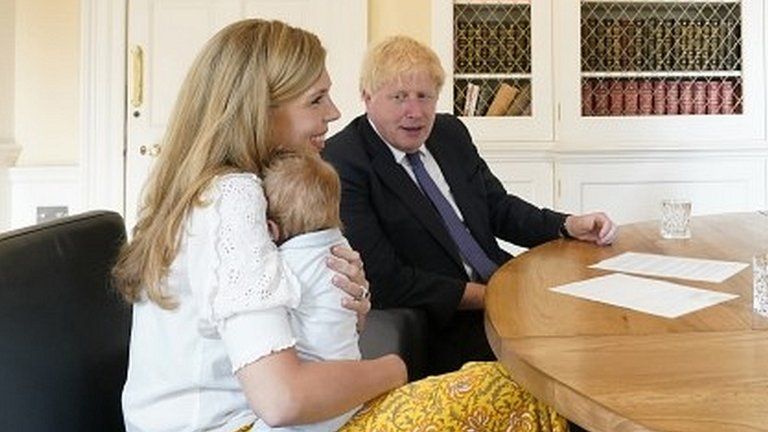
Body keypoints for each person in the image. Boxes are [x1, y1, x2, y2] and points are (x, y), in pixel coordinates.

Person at [113, 19, 567, 432]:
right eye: (315, 99)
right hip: (240, 425)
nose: (333, 111)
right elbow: (282, 398)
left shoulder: (209, 188)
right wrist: (395, 369)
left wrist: (345, 305)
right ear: (258, 109)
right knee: (523, 395)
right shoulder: (233, 198)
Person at [322, 35, 618, 375]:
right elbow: (387, 279)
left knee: (599, 330)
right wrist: (493, 296)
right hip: (444, 321)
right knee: (566, 364)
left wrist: (566, 224)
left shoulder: (449, 132)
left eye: (425, 97)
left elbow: (498, 208)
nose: (415, 113)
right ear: (367, 96)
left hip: (503, 288)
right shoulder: (342, 162)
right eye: (399, 98)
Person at [262, 151, 362, 431]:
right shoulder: (342, 248)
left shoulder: (288, 264)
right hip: (348, 386)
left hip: (314, 400)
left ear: (271, 228)